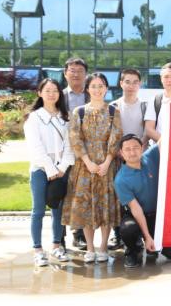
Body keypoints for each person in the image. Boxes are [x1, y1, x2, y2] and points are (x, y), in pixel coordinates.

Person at [62, 72, 123, 264]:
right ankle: (90, 248)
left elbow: (116, 137)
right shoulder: (78, 112)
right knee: (87, 206)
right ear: (87, 89)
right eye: (93, 86)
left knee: (105, 206)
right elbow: (75, 138)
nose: (97, 89)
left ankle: (103, 247)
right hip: (84, 167)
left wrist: (107, 162)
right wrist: (88, 162)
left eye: (101, 86)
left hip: (107, 167)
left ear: (106, 88)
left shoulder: (113, 111)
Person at [24, 78, 74, 266]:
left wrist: (62, 168)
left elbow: (70, 146)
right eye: (47, 90)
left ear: (59, 93)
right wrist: (50, 169)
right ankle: (38, 250)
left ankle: (56, 246)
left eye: (55, 90)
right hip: (40, 170)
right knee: (38, 210)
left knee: (58, 210)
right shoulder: (33, 118)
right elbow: (35, 147)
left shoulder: (65, 117)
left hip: (61, 171)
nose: (52, 94)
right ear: (40, 93)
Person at [114, 134, 171, 268]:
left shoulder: (150, 157)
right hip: (137, 216)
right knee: (128, 229)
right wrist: (147, 236)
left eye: (135, 148)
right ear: (121, 153)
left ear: (142, 147)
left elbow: (165, 139)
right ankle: (134, 250)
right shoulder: (121, 179)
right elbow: (136, 209)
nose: (132, 152)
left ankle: (152, 246)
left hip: (157, 216)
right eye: (127, 149)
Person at [108, 68, 148, 251]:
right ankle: (118, 234)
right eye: (127, 81)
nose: (131, 85)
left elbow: (147, 132)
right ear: (121, 83)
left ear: (140, 84)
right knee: (117, 197)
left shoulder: (145, 106)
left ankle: (140, 233)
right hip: (118, 157)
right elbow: (109, 134)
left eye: (135, 82)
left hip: (139, 157)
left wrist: (140, 150)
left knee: (138, 196)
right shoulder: (113, 107)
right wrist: (119, 152)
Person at [62, 57, 89, 249]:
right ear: (65, 74)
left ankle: (78, 234)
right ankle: (59, 237)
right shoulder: (58, 96)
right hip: (63, 153)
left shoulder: (92, 94)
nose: (76, 74)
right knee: (62, 195)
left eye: (80, 71)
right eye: (72, 70)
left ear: (86, 75)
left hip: (86, 154)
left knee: (81, 194)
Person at [144, 62, 171, 143]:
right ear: (161, 79)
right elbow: (149, 129)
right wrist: (166, 143)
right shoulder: (155, 100)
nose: (170, 80)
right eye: (166, 77)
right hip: (160, 148)